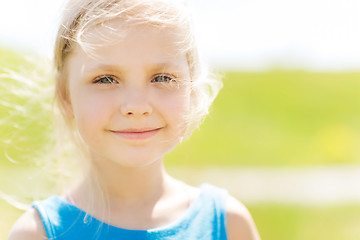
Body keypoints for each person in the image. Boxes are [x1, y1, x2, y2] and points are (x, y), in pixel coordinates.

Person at [9, 0, 260, 239]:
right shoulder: (37, 234)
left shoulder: (228, 225)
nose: (137, 107)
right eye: (106, 79)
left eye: (162, 78)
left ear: (191, 88)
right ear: (65, 96)